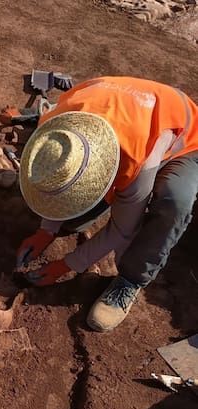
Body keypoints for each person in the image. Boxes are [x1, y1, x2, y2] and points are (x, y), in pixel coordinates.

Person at [16, 76, 198, 332]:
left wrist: (66, 265)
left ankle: (131, 280)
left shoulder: (135, 161)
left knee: (174, 201)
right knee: (73, 222)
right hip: (131, 110)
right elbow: (60, 174)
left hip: (187, 137)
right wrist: (46, 230)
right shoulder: (55, 126)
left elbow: (122, 230)